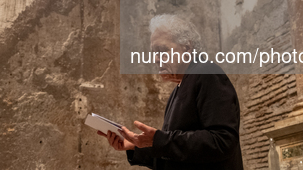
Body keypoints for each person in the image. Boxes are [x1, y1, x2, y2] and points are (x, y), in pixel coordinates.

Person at [99, 14, 243, 169]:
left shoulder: (206, 73)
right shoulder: (177, 92)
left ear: (187, 47)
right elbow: (174, 157)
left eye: (162, 50)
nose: (155, 59)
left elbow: (222, 141)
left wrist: (160, 140)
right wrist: (136, 146)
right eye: (154, 52)